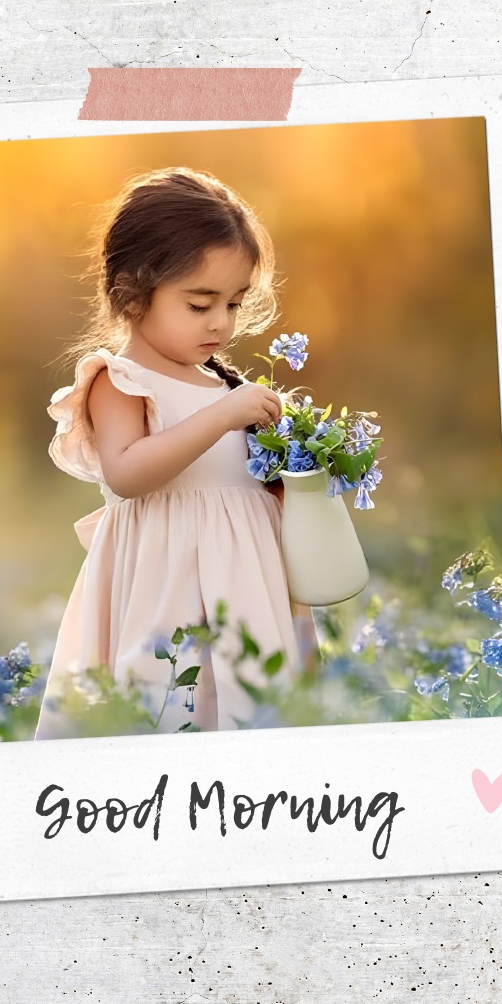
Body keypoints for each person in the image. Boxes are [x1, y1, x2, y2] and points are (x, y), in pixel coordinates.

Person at [33, 167, 308, 739]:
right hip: (168, 588)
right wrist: (225, 417)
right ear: (134, 290)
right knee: (172, 705)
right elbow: (128, 473)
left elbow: (240, 485)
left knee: (253, 712)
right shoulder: (121, 380)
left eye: (233, 304)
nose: (221, 324)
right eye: (200, 304)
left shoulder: (223, 387)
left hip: (245, 584)